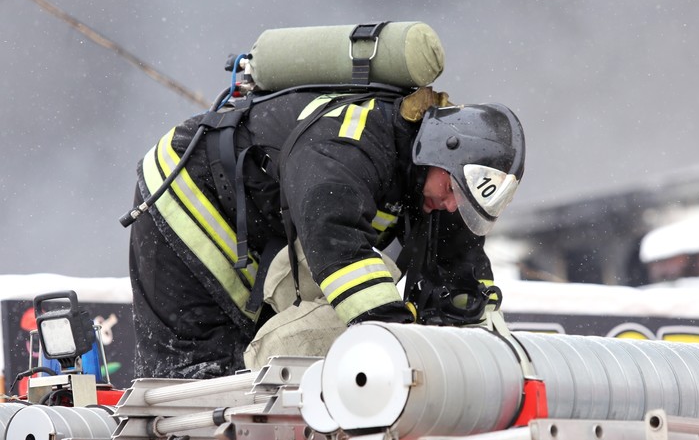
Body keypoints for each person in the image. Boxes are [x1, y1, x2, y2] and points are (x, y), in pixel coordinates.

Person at [127, 85, 526, 379]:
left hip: (261, 229)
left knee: (254, 380)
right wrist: (403, 347)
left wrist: (499, 359)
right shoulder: (349, 146)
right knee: (197, 384)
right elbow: (338, 246)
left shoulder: (440, 184)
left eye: (467, 203)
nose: (453, 205)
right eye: (454, 190)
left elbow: (462, 281)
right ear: (442, 151)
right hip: (185, 196)